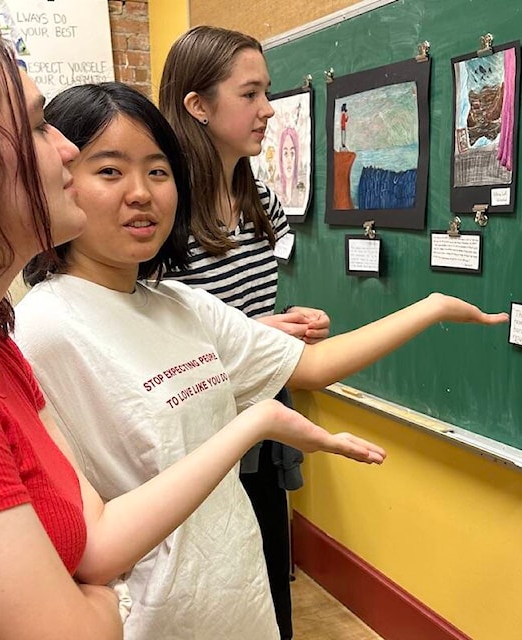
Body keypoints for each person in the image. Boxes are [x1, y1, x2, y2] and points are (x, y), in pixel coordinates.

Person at [0, 20, 385, 640]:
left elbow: (93, 545)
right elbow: (75, 628)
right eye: (38, 126)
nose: (66, 151)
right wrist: (115, 601)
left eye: (157, 172)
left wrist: (251, 423)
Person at [14, 81, 509, 640]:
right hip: (154, 621)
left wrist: (430, 307)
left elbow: (312, 366)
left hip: (237, 599)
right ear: (60, 176)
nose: (142, 193)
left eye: (158, 171)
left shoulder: (181, 306)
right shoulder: (43, 329)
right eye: (109, 171)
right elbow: (77, 537)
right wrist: (259, 422)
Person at [157, 26, 329, 637]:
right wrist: (255, 330)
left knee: (268, 574)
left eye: (268, 92)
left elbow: (253, 301)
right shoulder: (163, 208)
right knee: (212, 578)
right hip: (197, 422)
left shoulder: (259, 196)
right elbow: (151, 334)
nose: (268, 110)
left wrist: (287, 324)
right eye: (250, 94)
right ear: (197, 105)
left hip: (260, 404)